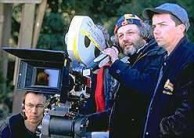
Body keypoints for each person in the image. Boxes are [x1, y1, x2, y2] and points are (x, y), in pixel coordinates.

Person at [103, 13, 166, 137]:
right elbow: (120, 112)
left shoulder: (157, 54)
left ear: (143, 34)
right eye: (120, 35)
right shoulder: (132, 61)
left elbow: (147, 85)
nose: (125, 38)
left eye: (130, 33)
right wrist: (85, 121)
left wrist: (116, 63)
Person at [142, 3, 194, 137]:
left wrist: (159, 129)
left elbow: (187, 116)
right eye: (154, 26)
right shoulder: (165, 58)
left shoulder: (189, 59)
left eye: (162, 25)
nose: (156, 31)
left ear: (181, 28)